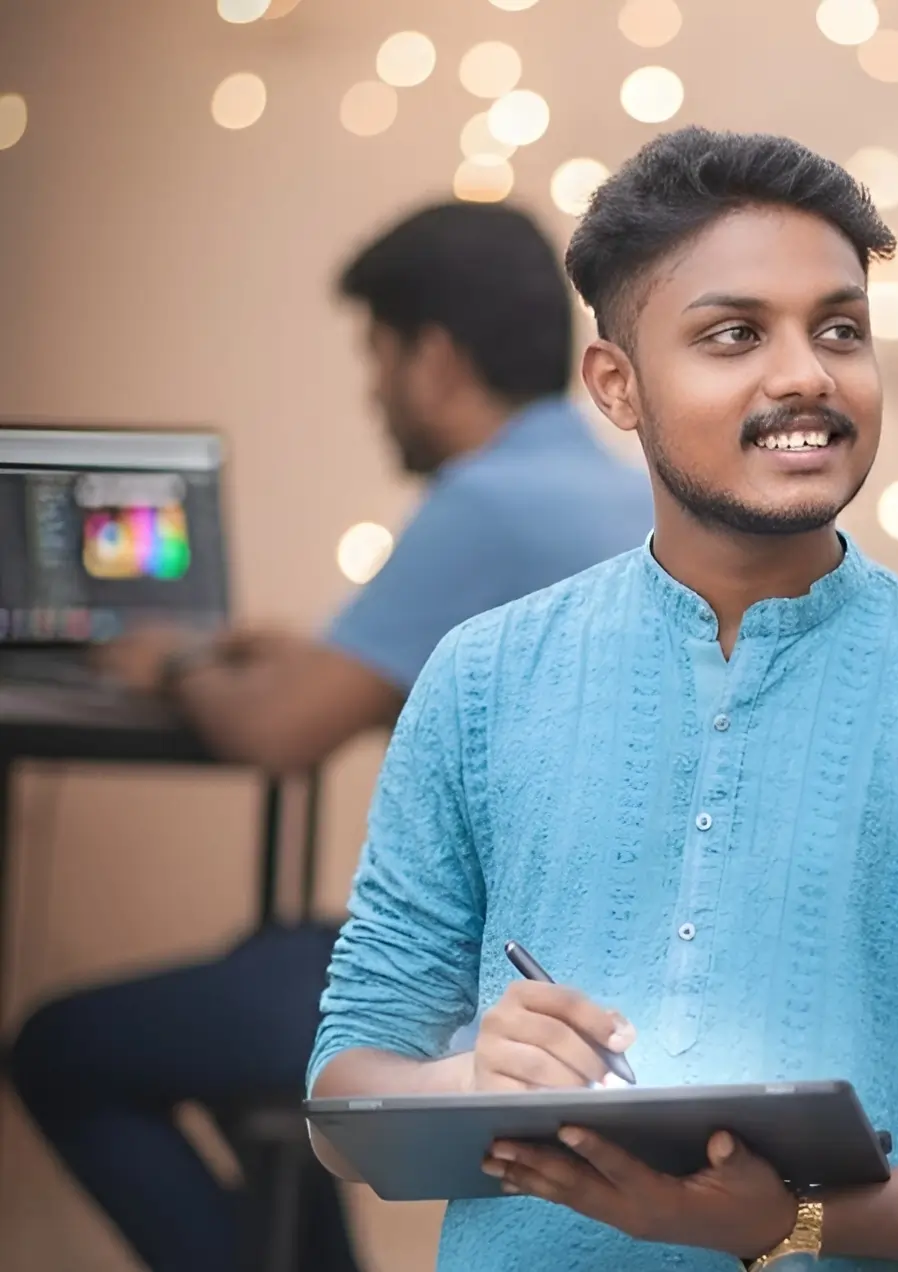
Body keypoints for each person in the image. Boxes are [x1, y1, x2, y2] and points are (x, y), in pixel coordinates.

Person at [307, 126, 898, 1272]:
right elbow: (347, 1081)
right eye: (734, 335)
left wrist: (794, 1222)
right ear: (617, 385)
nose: (806, 373)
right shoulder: (483, 680)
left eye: (839, 329)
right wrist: (463, 1084)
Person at [10, 201, 653, 1272]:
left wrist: (171, 660)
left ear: (434, 359)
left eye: (378, 358)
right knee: (265, 969)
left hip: (506, 992)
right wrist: (292, 653)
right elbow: (400, 685)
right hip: (590, 965)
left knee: (60, 1046)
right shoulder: (592, 482)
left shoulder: (488, 501)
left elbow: (279, 734)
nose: (372, 394)